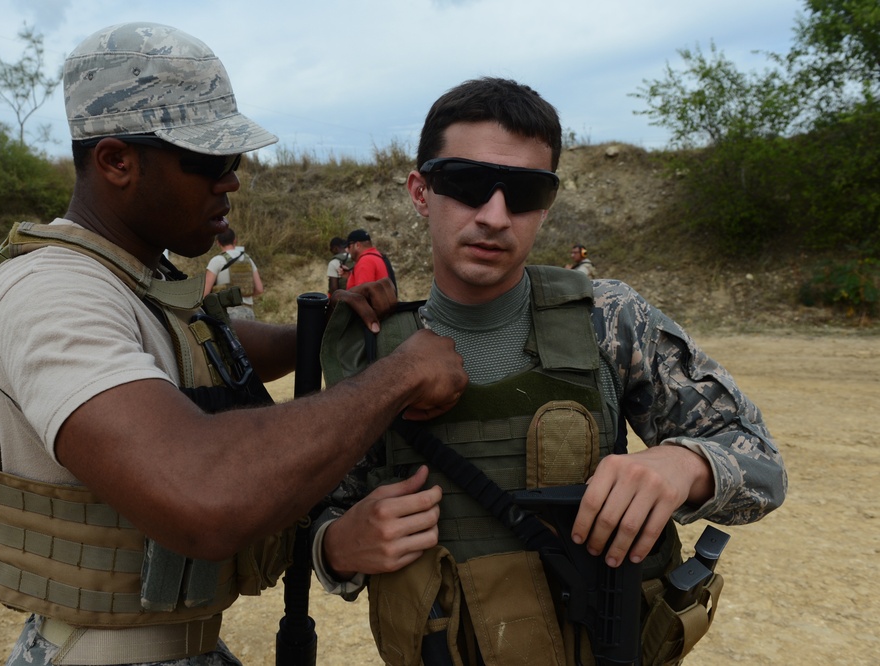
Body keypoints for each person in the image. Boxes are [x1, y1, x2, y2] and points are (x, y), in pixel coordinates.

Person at [0, 22, 467, 666]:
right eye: (208, 161)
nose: (231, 180)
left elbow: (198, 347)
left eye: (235, 159)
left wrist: (315, 334)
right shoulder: (52, 292)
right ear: (116, 161)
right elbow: (201, 493)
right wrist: (395, 377)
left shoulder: (131, 273)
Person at [312, 77, 787, 665]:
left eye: (524, 191)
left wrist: (685, 464)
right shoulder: (372, 349)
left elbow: (763, 468)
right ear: (420, 190)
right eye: (465, 183)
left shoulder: (610, 320)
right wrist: (336, 546)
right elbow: (322, 507)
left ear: (547, 203)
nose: (494, 216)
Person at [203, 226, 263, 320]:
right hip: (248, 312)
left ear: (218, 242)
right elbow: (259, 289)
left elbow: (205, 293)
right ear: (235, 240)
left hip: (228, 312)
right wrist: (244, 293)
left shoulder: (217, 261)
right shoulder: (248, 259)